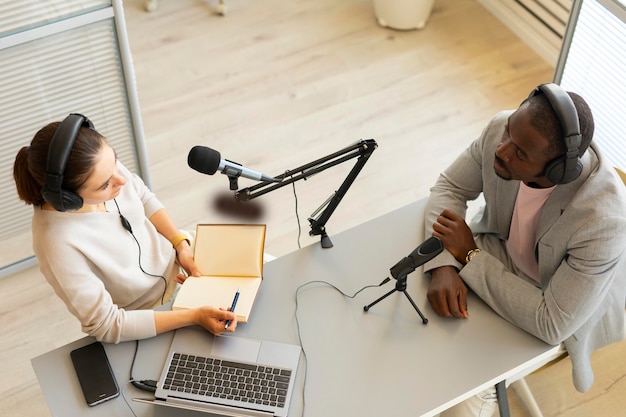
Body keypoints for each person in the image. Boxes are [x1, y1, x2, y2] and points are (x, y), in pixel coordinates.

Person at [423, 83, 626, 416]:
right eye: (508, 134)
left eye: (520, 153)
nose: (502, 151)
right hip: (499, 254)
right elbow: (450, 187)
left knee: (461, 402)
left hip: (555, 302)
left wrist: (469, 256)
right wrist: (443, 263)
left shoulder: (603, 221)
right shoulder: (502, 132)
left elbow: (552, 323)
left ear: (557, 170)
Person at [13, 113, 237, 343]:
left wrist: (180, 244)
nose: (121, 180)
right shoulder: (56, 243)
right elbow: (107, 325)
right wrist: (194, 316)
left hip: (183, 256)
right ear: (68, 199)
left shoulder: (103, 166)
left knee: (268, 275)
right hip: (154, 311)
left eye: (115, 163)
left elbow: (145, 198)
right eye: (104, 185)